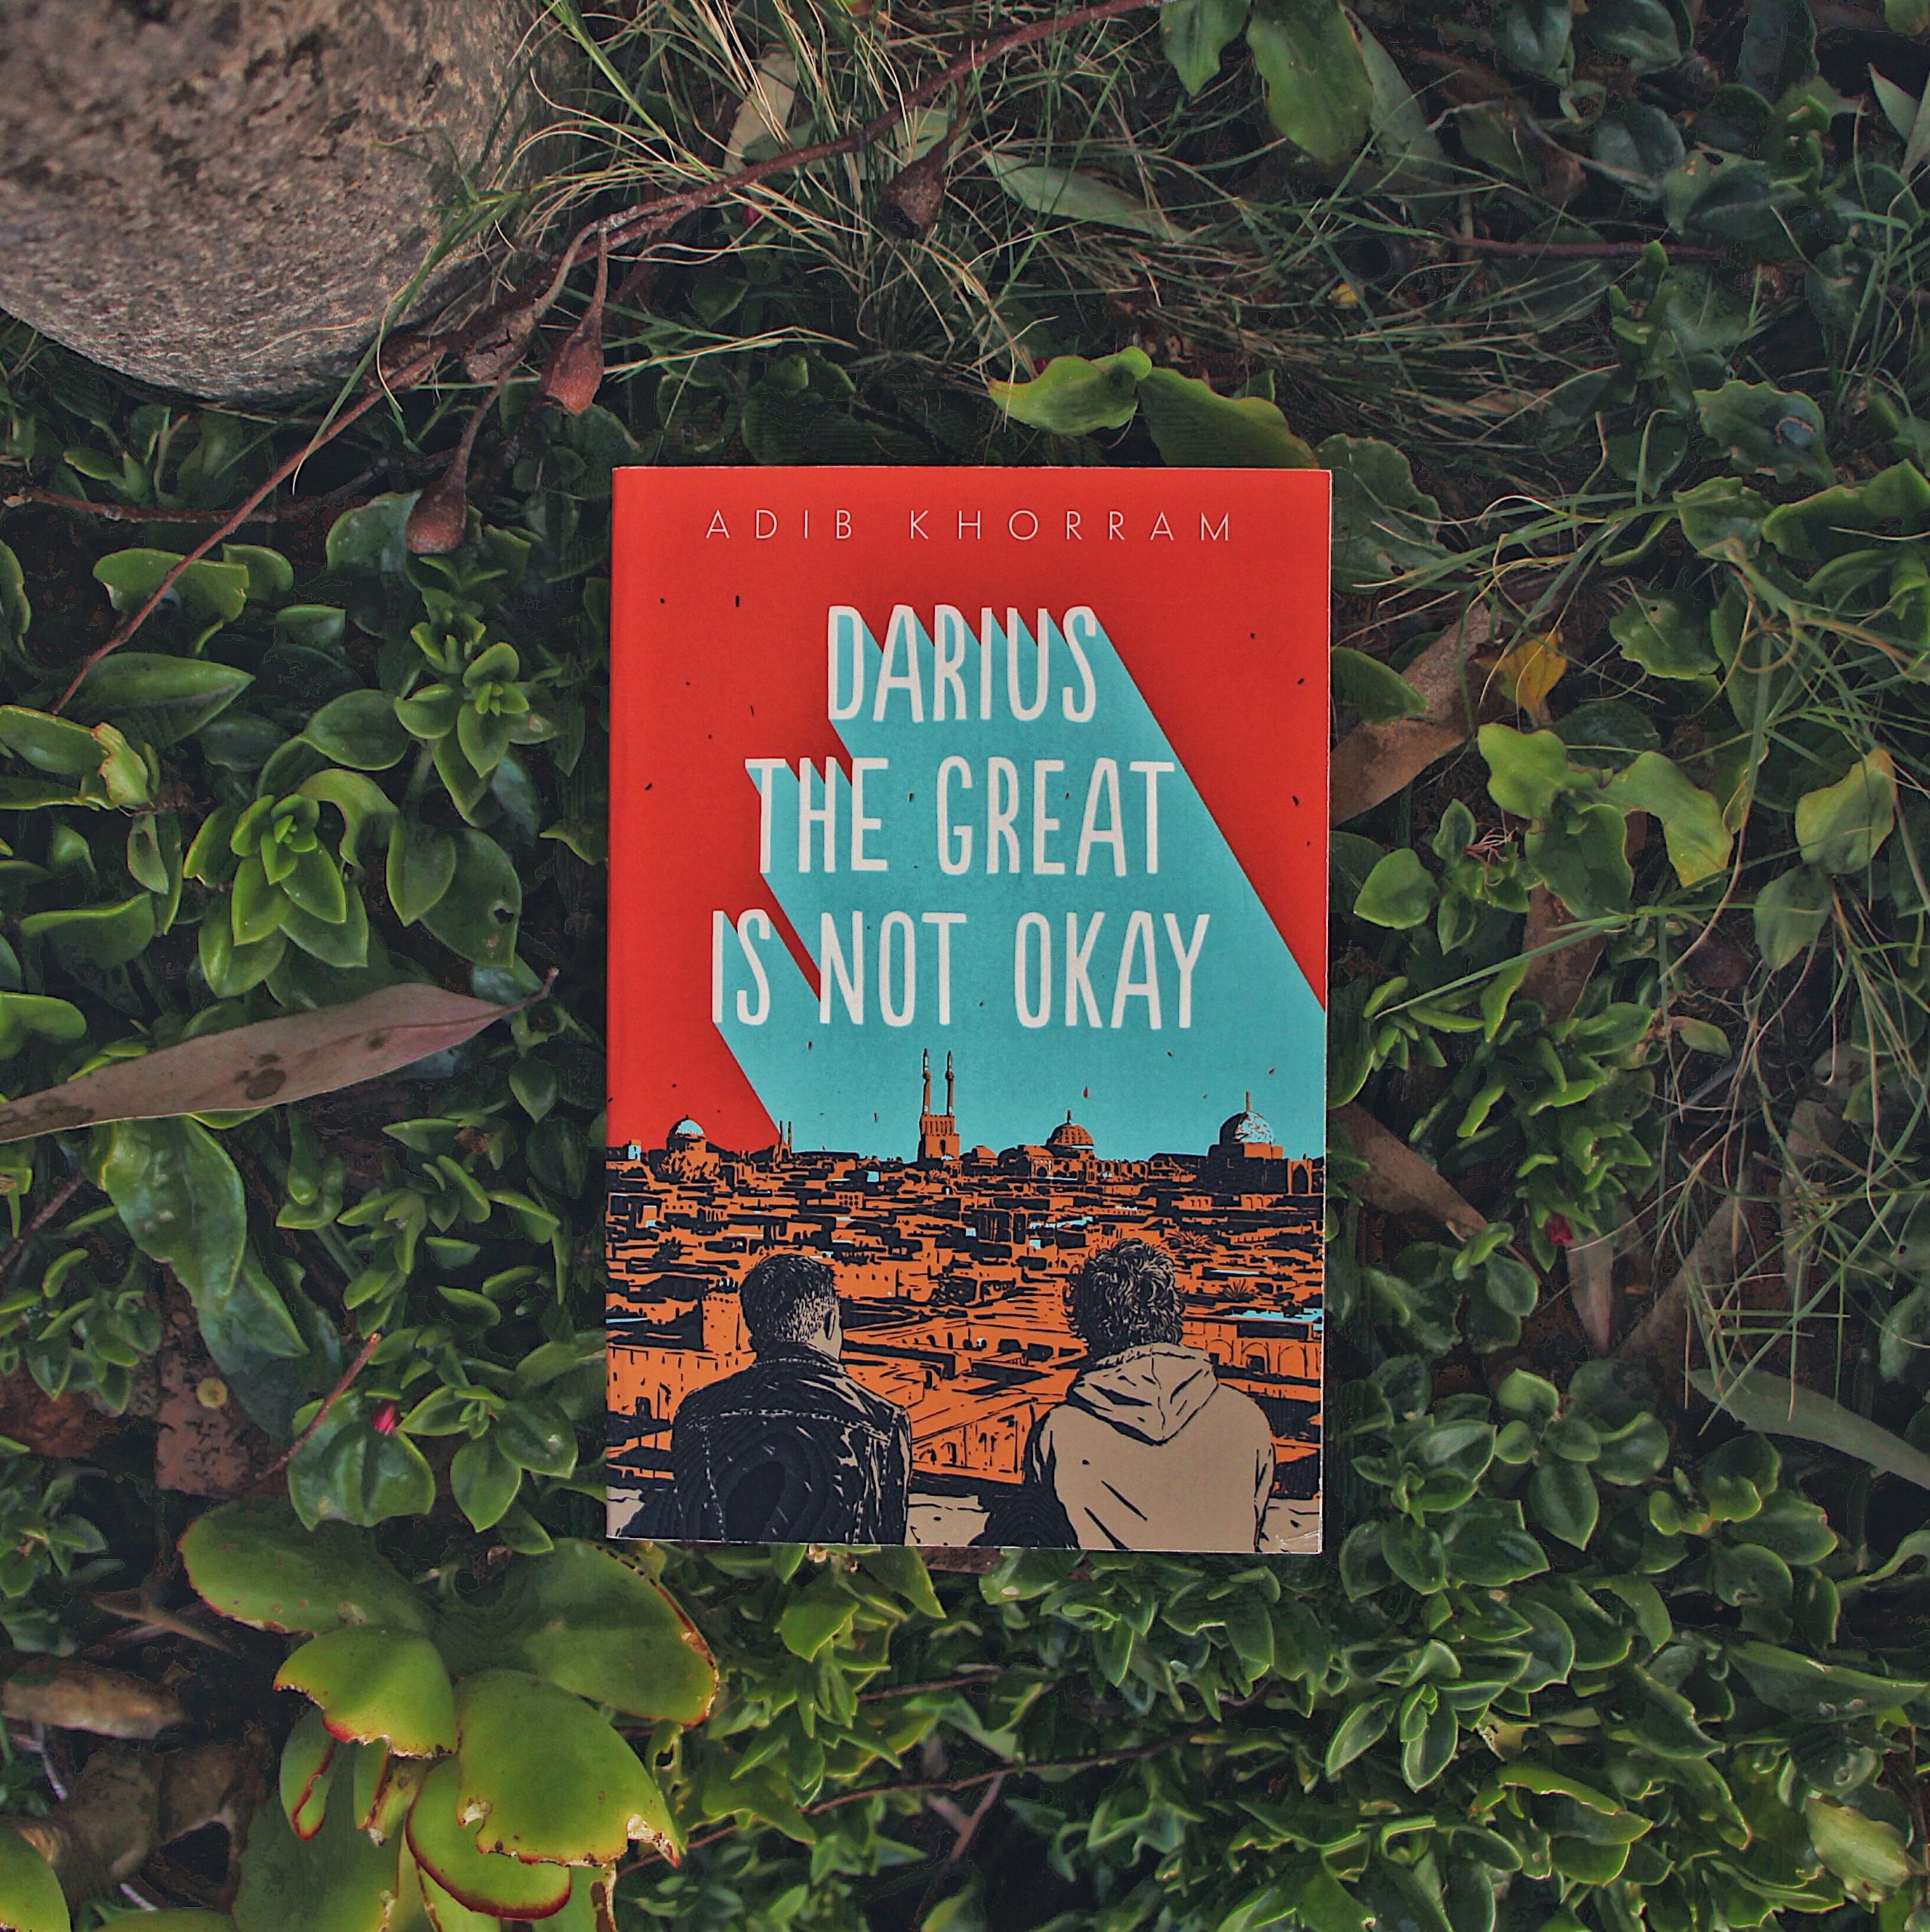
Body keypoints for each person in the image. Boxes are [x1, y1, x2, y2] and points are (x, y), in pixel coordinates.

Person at [1022, 1238, 1275, 1552]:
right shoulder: (1243, 1418)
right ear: (1173, 1313)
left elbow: (1046, 1544)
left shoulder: (1057, 1432)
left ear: (1087, 1324)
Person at [671, 1251, 911, 1543]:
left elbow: (691, 1526)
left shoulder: (698, 1411)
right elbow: (888, 1543)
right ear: (830, 1323)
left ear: (753, 1327)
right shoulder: (884, 1423)